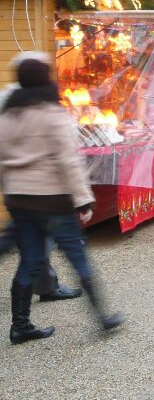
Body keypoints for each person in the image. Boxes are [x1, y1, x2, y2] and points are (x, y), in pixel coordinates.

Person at [0, 53, 124, 345]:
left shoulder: (7, 115)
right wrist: (83, 200)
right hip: (53, 199)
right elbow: (69, 161)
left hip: (19, 198)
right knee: (77, 256)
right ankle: (103, 317)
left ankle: (21, 325)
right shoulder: (52, 114)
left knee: (29, 259)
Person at [0, 77, 82, 303]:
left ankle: (44, 290)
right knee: (32, 251)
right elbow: (65, 158)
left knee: (27, 248)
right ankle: (45, 290)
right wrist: (82, 198)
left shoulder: (13, 101)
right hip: (38, 194)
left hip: (19, 193)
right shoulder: (30, 105)